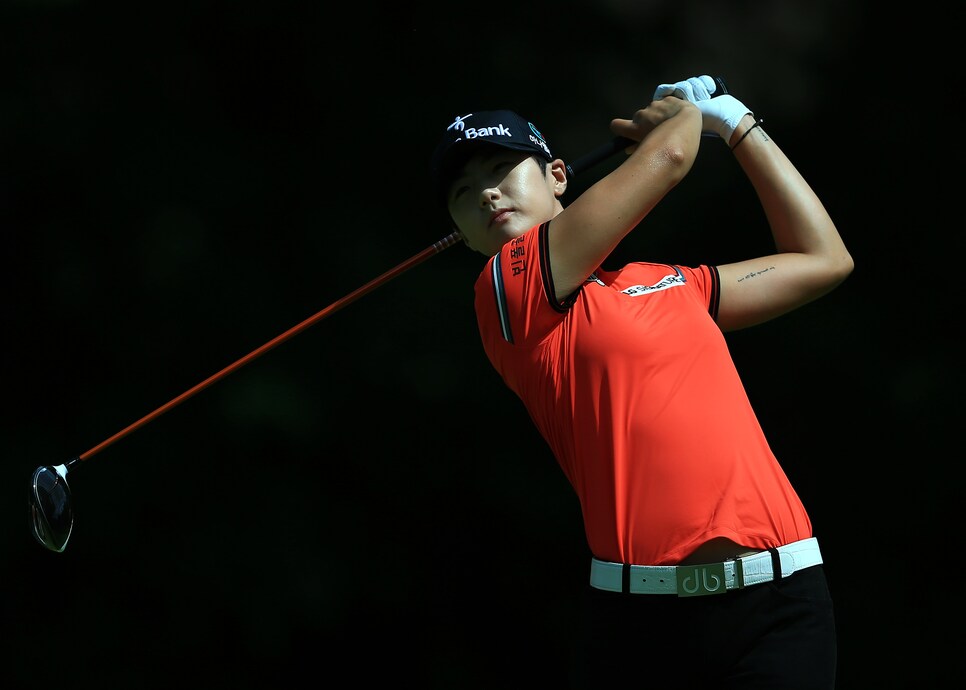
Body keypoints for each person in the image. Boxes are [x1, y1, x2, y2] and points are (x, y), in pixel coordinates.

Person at [428, 75, 852, 689]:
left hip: (781, 603)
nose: (488, 193)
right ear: (462, 234)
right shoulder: (506, 293)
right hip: (644, 626)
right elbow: (672, 157)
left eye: (502, 168)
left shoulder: (672, 283)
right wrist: (684, 114)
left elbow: (823, 260)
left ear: (558, 176)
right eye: (464, 193)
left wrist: (736, 125)